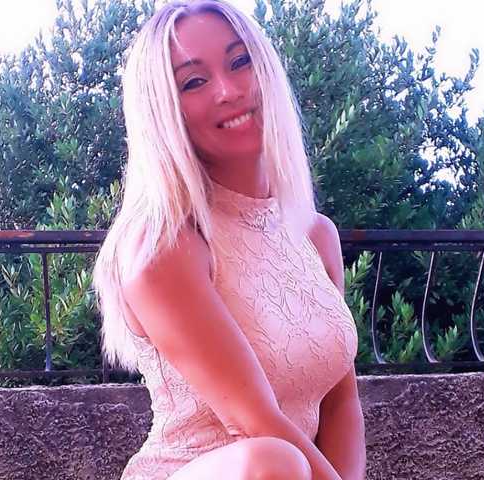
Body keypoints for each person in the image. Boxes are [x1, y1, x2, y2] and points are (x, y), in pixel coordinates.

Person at [93, 0, 366, 478]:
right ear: (162, 109)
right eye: (194, 82)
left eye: (240, 61)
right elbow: (253, 421)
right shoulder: (162, 246)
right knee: (272, 460)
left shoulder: (315, 235)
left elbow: (341, 403)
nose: (228, 90)